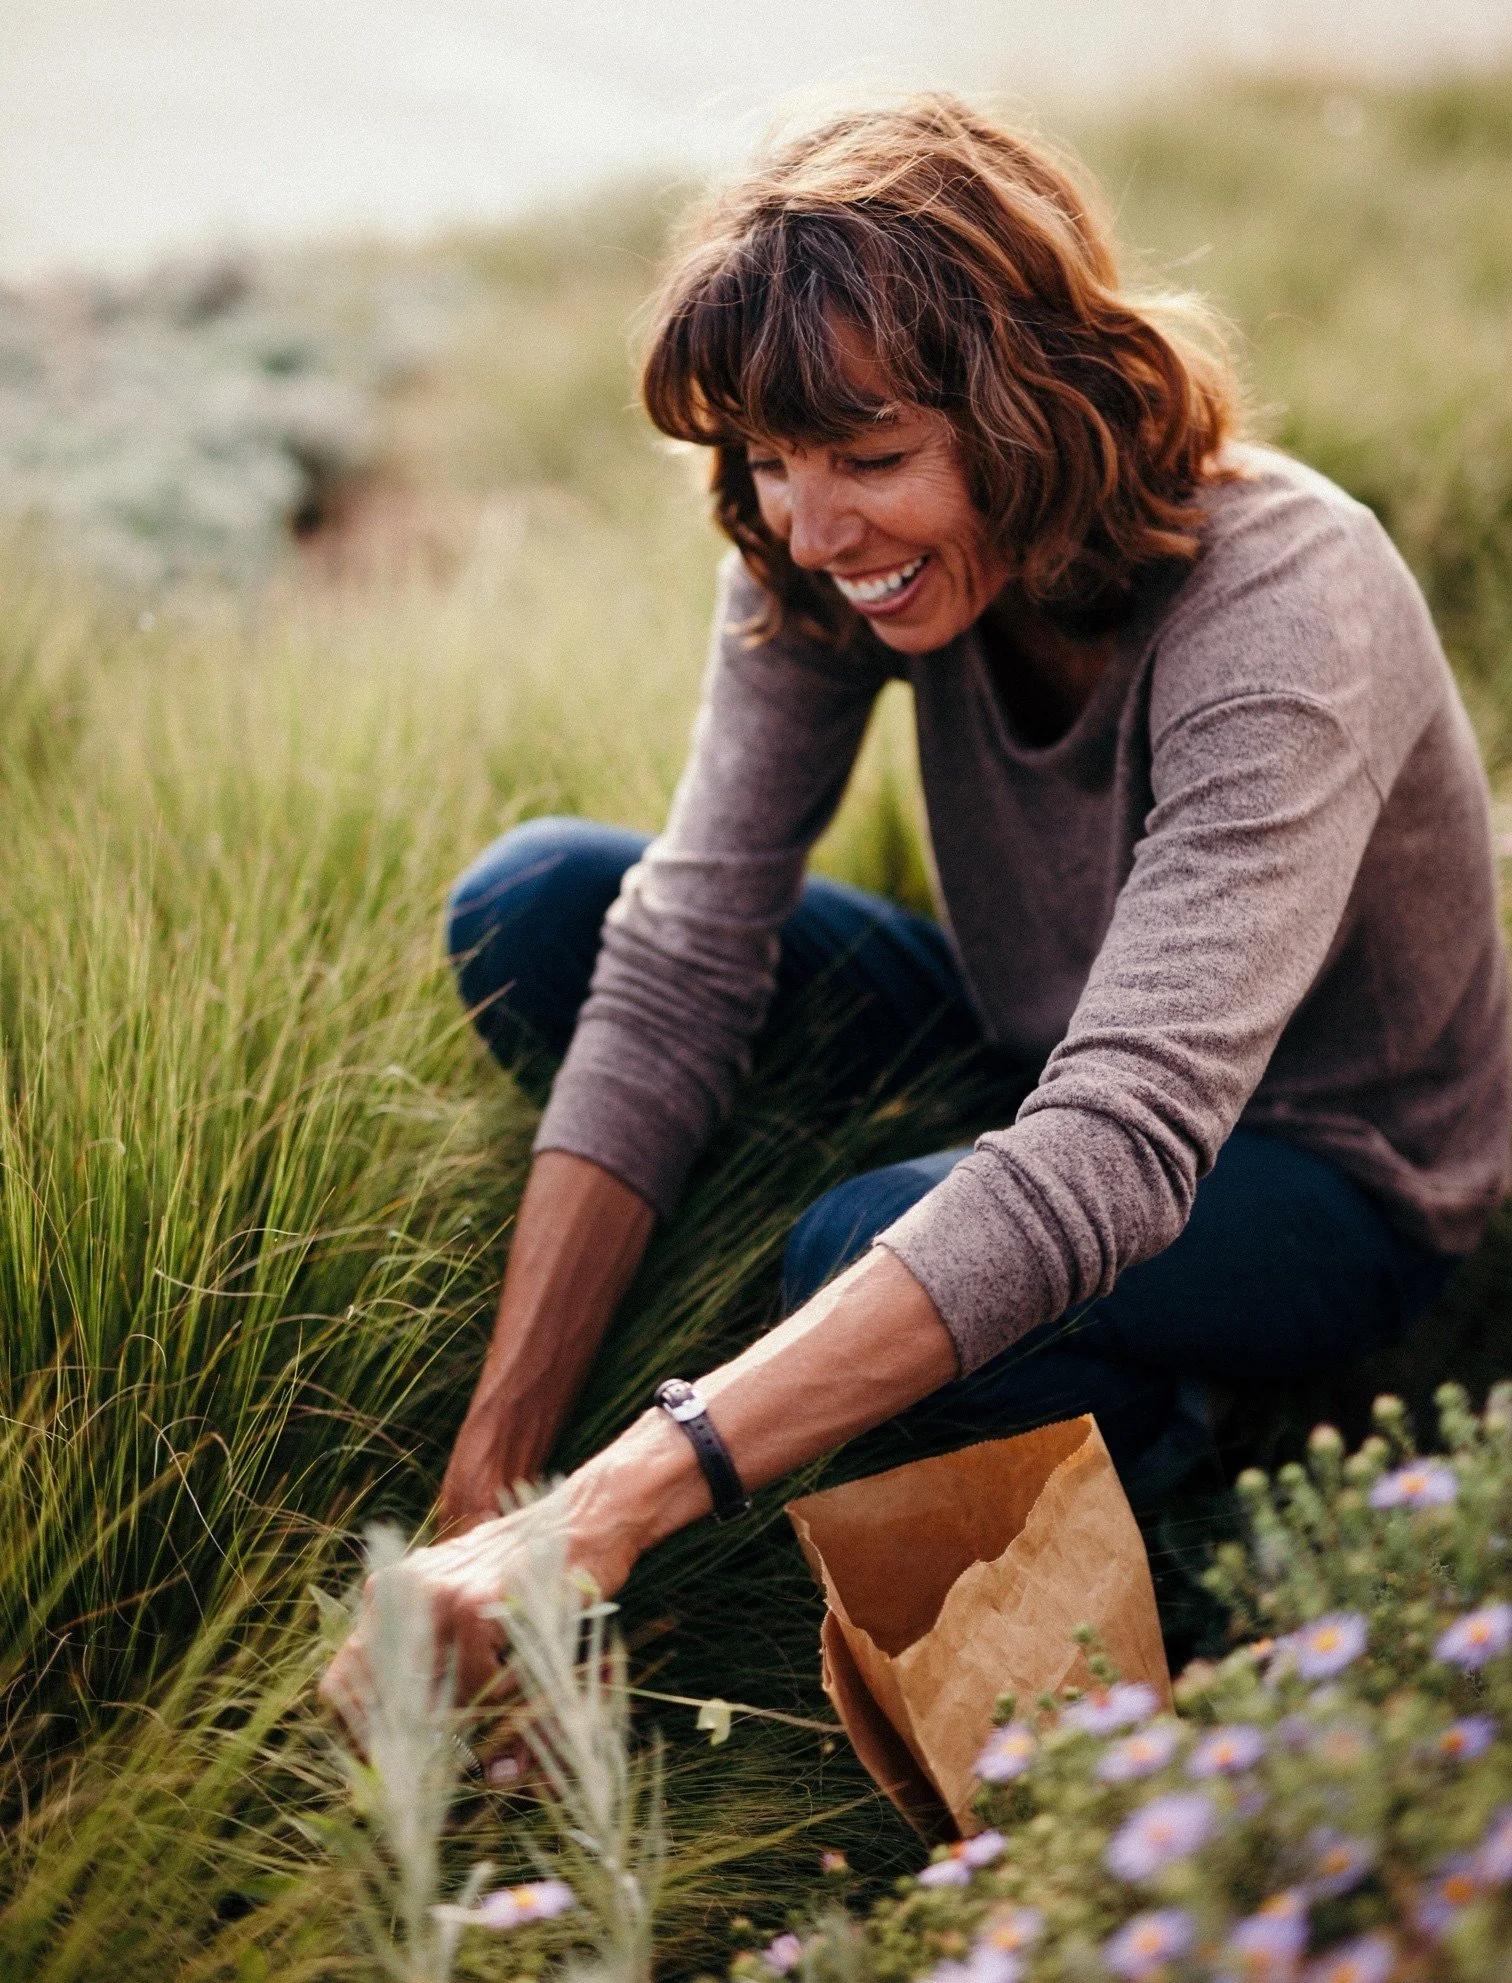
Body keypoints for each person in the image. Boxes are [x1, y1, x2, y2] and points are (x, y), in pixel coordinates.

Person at [323, 95, 1509, 1713]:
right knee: (539, 906)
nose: (813, 529)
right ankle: (938, 1291)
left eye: (873, 459)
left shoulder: (1291, 600)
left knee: (852, 1239)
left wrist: (606, 1510)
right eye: (770, 459)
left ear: (1034, 416)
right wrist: (493, 1481)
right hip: (1040, 1036)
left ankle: (1160, 1439)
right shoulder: (823, 542)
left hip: (1321, 1169)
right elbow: (685, 959)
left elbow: (1124, 1140)